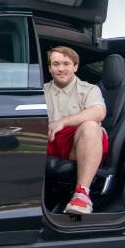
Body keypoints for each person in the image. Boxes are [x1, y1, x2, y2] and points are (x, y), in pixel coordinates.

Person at [44, 45, 108, 214]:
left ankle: (82, 195)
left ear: (75, 66)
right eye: (56, 64)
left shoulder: (89, 89)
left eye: (66, 63)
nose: (61, 68)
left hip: (78, 142)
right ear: (50, 68)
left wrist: (64, 122)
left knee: (91, 126)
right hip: (47, 140)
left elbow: (99, 112)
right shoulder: (41, 91)